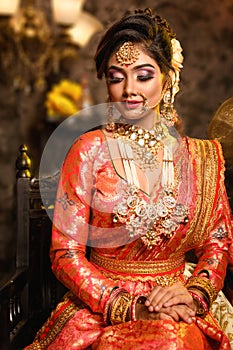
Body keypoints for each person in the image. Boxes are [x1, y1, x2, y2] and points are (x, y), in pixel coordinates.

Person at [25, 8, 233, 350]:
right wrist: (128, 307)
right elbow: (66, 253)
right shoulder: (88, 150)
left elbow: (217, 243)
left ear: (167, 79)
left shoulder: (200, 158)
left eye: (144, 75)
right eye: (116, 76)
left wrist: (193, 294)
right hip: (102, 302)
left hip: (178, 299)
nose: (129, 90)